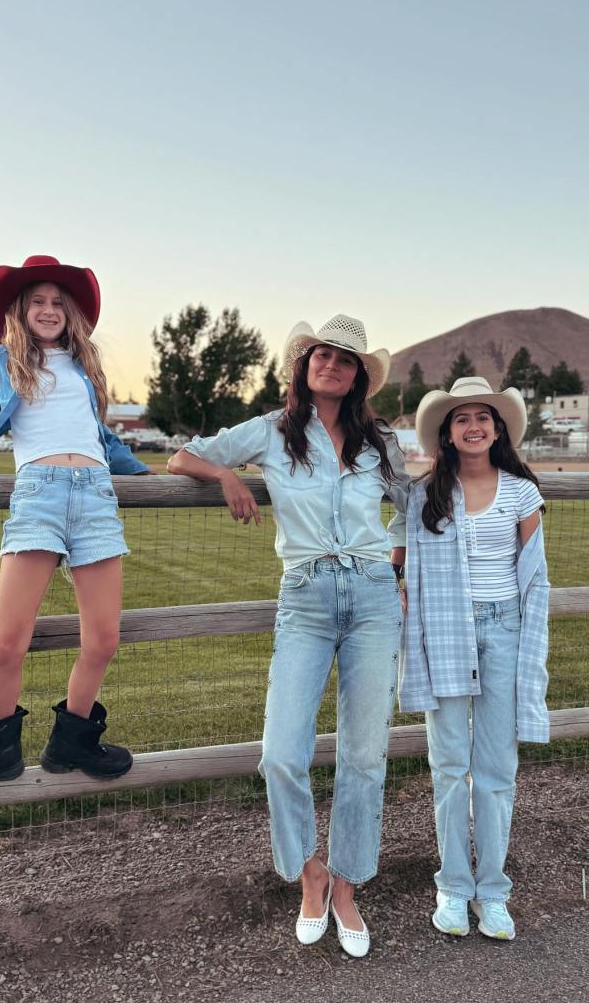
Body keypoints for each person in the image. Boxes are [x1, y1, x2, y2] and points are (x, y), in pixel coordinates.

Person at [167, 315, 411, 958]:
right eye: (322, 354)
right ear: (304, 365)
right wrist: (225, 475)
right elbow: (181, 454)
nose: (331, 364)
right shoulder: (271, 432)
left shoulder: (376, 439)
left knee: (364, 754)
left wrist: (397, 563)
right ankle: (310, 872)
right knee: (281, 752)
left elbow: (409, 506)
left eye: (345, 359)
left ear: (359, 376)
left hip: (372, 597)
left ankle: (349, 885)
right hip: (304, 596)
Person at [0, 255, 149, 791]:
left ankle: (72, 742)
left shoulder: (84, 364)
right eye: (37, 302)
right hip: (38, 496)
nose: (48, 310)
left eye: (57, 302)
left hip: (95, 497)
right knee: (8, 641)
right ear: (20, 312)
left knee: (103, 638)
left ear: (70, 312)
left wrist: (147, 474)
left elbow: (102, 436)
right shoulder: (2, 360)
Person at [399, 377, 550, 941]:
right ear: (448, 431)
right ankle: (452, 886)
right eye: (461, 418)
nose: (473, 426)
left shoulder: (520, 493)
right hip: (445, 631)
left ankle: (493, 890)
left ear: (498, 428)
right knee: (448, 763)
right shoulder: (425, 496)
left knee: (495, 768)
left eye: (482, 417)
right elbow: (402, 559)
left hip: (503, 629)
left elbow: (534, 577)